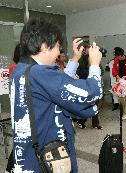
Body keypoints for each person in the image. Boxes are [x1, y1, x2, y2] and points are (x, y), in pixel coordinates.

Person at [9, 18, 103, 172]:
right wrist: (94, 65)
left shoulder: (21, 70)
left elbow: (56, 89)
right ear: (45, 46)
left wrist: (75, 59)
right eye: (58, 47)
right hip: (49, 155)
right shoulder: (39, 73)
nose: (59, 52)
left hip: (29, 155)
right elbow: (90, 93)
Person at [6, 44, 21, 173]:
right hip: (19, 110)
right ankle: (10, 168)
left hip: (19, 108)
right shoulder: (14, 68)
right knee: (19, 143)